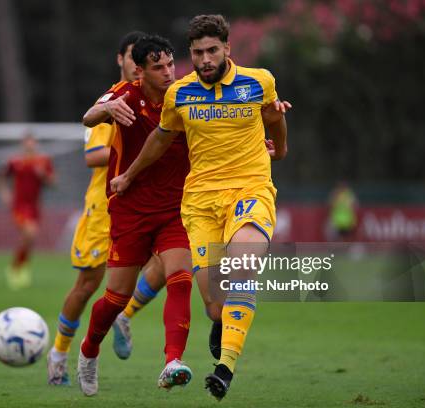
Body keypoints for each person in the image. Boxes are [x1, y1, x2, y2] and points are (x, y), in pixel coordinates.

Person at [110, 15, 292, 400]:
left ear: (227, 49)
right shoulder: (180, 95)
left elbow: (273, 116)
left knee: (242, 265)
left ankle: (225, 368)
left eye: (212, 50)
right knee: (213, 307)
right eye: (197, 53)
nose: (205, 59)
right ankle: (222, 321)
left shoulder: (259, 81)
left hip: (250, 191)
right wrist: (128, 175)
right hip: (200, 203)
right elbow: (161, 140)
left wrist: (282, 148)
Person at [46, 31, 166, 386]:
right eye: (132, 57)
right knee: (87, 284)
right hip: (105, 207)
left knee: (172, 260)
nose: (137, 65)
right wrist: (145, 150)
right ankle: (58, 356)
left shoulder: (160, 97)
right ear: (121, 60)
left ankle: (125, 316)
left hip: (147, 204)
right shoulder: (113, 100)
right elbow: (92, 156)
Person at [77, 35, 193, 396]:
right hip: (130, 209)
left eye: (171, 64)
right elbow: (88, 116)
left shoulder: (186, 96)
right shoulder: (125, 94)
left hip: (174, 209)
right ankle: (89, 351)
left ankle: (172, 360)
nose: (168, 72)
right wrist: (107, 110)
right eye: (159, 67)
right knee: (115, 298)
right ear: (140, 72)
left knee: (181, 277)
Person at [0, 132, 54, 290]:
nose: (30, 145)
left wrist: (43, 176)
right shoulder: (14, 161)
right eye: (27, 142)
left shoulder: (43, 161)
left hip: (35, 206)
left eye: (32, 142)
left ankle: (20, 266)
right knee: (30, 233)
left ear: (35, 144)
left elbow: (53, 182)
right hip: (19, 206)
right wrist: (4, 193)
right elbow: (1, 176)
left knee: (28, 239)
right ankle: (16, 267)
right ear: (23, 144)